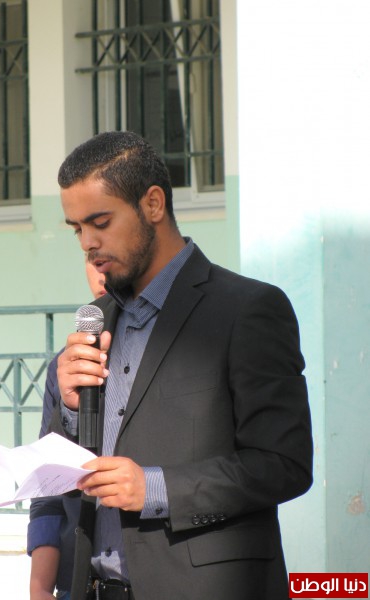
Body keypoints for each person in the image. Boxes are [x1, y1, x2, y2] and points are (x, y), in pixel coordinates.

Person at [37, 131, 313, 600]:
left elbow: (284, 464)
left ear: (153, 204)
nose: (87, 242)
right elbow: (65, 480)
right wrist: (69, 409)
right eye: (76, 228)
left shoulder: (247, 310)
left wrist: (155, 488)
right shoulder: (95, 321)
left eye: (100, 222)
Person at [28, 259, 106, 600]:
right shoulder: (65, 365)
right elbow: (48, 487)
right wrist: (41, 588)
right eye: (91, 257)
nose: (101, 272)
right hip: (76, 580)